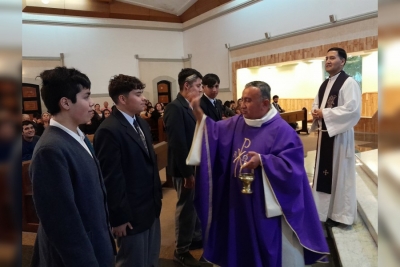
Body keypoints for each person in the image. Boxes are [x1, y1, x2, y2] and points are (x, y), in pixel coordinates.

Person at [187, 81, 329, 267]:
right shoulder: (236, 123)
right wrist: (197, 110)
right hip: (238, 202)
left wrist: (263, 161)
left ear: (265, 103)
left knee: (267, 251)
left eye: (248, 100)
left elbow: (292, 168)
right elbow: (211, 131)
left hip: (264, 208)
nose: (242, 105)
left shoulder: (282, 130)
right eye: (242, 100)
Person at [29, 66, 115, 267]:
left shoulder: (78, 135)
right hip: (76, 256)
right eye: (86, 96)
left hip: (96, 242)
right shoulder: (50, 150)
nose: (91, 102)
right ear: (66, 102)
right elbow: (62, 223)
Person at [94, 74, 162, 267]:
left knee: (151, 260)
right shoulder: (109, 130)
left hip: (150, 206)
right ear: (122, 99)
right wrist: (119, 218)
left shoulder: (139, 122)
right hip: (130, 214)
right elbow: (111, 178)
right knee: (133, 262)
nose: (144, 98)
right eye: (138, 94)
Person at [310, 47, 361, 227]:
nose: (328, 61)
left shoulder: (349, 83)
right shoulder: (325, 84)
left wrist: (325, 113)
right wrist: (316, 112)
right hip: (325, 136)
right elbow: (317, 104)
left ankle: (340, 214)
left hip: (339, 137)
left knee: (340, 174)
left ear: (343, 61)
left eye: (332, 58)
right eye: (326, 58)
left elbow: (352, 109)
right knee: (325, 175)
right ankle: (324, 211)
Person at [163, 68, 204, 267]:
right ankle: (181, 250)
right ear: (186, 86)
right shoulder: (175, 107)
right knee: (185, 208)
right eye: (198, 86)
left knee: (193, 206)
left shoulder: (189, 105)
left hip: (193, 165)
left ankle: (194, 237)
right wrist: (187, 174)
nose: (201, 89)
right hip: (184, 168)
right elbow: (178, 143)